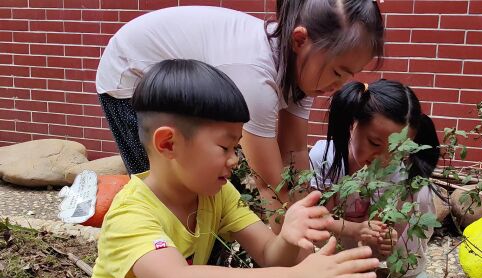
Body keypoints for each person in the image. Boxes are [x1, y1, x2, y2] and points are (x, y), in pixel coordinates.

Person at [67, 59, 380, 278]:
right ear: (168, 144)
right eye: (224, 147)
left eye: (236, 147)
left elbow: (269, 256)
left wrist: (286, 237)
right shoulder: (132, 213)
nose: (235, 160)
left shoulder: (217, 193)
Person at [96, 1, 385, 231]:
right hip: (131, 78)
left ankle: (206, 265)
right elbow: (269, 185)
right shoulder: (256, 77)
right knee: (165, 193)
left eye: (350, 75)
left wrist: (305, 211)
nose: (340, 85)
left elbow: (295, 152)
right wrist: (295, 259)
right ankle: (157, 273)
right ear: (300, 40)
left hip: (188, 88)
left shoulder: (305, 73)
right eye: (338, 71)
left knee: (216, 189)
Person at [308, 79, 441, 278]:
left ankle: (409, 275)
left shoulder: (394, 168)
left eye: (396, 150)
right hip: (335, 239)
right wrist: (357, 229)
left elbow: (383, 219)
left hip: (366, 240)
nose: (382, 158)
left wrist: (387, 234)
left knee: (419, 189)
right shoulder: (323, 157)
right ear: (352, 124)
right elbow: (317, 219)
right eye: (374, 143)